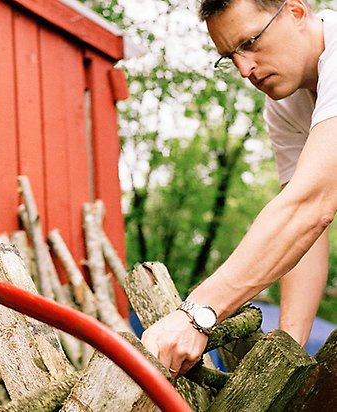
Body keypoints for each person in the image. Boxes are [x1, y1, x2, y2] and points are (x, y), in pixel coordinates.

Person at [141, 0, 336, 377]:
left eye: (250, 42)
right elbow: (305, 234)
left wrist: (197, 314)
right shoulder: (286, 104)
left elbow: (310, 206)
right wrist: (285, 359)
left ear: (296, 12)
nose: (245, 69)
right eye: (230, 56)